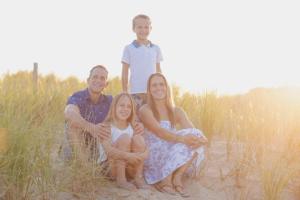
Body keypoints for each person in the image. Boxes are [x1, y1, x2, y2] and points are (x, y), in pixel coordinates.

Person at [139, 73, 208, 197]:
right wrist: (183, 139)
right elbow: (160, 132)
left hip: (171, 149)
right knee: (186, 138)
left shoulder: (177, 111)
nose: (158, 88)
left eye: (161, 84)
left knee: (196, 134)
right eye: (154, 85)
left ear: (167, 87)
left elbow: (191, 131)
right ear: (149, 90)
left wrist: (201, 139)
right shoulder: (145, 109)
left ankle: (177, 176)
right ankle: (165, 181)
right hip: (155, 155)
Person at [63, 65, 144, 162]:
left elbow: (125, 111)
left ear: (106, 84)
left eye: (102, 78)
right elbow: (69, 113)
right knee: (71, 125)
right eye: (95, 77)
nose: (98, 80)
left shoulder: (109, 100)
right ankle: (86, 169)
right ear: (88, 80)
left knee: (125, 131)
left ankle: (120, 167)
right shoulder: (78, 96)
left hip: (102, 145)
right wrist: (91, 128)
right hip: (80, 145)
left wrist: (138, 123)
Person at [98, 93, 149, 191]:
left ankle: (138, 178)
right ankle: (121, 180)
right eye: (122, 105)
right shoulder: (106, 126)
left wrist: (142, 155)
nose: (125, 109)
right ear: (114, 107)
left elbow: (145, 147)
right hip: (110, 168)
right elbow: (109, 151)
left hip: (127, 169)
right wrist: (129, 156)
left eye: (129, 107)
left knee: (138, 139)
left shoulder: (133, 126)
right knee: (125, 138)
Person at [121, 14, 163, 110]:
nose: (143, 30)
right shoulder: (129, 48)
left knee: (153, 119)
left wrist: (161, 89)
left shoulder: (156, 49)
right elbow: (125, 72)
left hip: (153, 93)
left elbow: (159, 71)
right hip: (135, 93)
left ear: (150, 28)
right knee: (137, 119)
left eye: (146, 27)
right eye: (139, 27)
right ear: (133, 29)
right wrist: (125, 92)